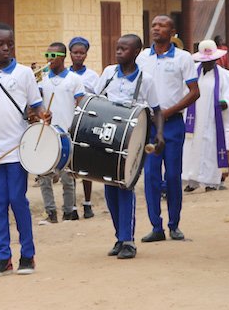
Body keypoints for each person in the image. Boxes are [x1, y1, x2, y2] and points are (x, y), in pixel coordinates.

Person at [0, 23, 45, 277]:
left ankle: (27, 255)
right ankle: (3, 257)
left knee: (17, 200)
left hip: (18, 150)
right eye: (0, 44)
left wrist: (41, 116)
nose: (6, 48)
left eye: (10, 44)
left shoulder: (24, 74)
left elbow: (37, 107)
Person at [95, 34, 164, 258]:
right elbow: (95, 100)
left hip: (134, 138)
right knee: (109, 186)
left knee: (125, 185)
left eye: (124, 49)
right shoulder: (108, 73)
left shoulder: (146, 80)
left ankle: (128, 241)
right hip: (109, 135)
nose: (119, 52)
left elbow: (157, 110)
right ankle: (119, 236)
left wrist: (159, 134)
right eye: (117, 48)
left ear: (136, 52)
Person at [136, 15, 200, 242]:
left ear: (172, 31)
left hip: (172, 124)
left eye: (162, 25)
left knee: (173, 175)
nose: (156, 29)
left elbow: (194, 92)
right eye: (153, 25)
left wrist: (167, 112)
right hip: (148, 125)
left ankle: (174, 224)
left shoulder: (183, 58)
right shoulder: (143, 56)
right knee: (151, 176)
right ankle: (156, 226)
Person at [36, 42, 86, 222]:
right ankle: (50, 212)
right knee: (43, 175)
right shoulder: (42, 79)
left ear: (63, 57)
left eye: (53, 56)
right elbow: (36, 103)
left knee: (67, 176)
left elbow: (80, 104)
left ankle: (68, 211)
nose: (48, 60)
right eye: (47, 56)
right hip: (47, 131)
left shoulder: (74, 79)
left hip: (66, 132)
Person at [184, 40, 229, 192]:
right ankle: (192, 180)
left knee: (211, 148)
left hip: (214, 119)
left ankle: (211, 181)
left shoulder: (225, 76)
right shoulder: (192, 73)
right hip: (194, 119)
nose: (208, 63)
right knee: (192, 147)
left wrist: (225, 102)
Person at [68, 36, 102, 218]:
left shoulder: (92, 76)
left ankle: (87, 204)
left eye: (82, 53)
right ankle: (71, 205)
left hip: (86, 123)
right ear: (70, 54)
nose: (78, 56)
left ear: (86, 54)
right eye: (75, 53)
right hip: (69, 122)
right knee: (71, 165)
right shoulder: (66, 75)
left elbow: (97, 98)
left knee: (85, 164)